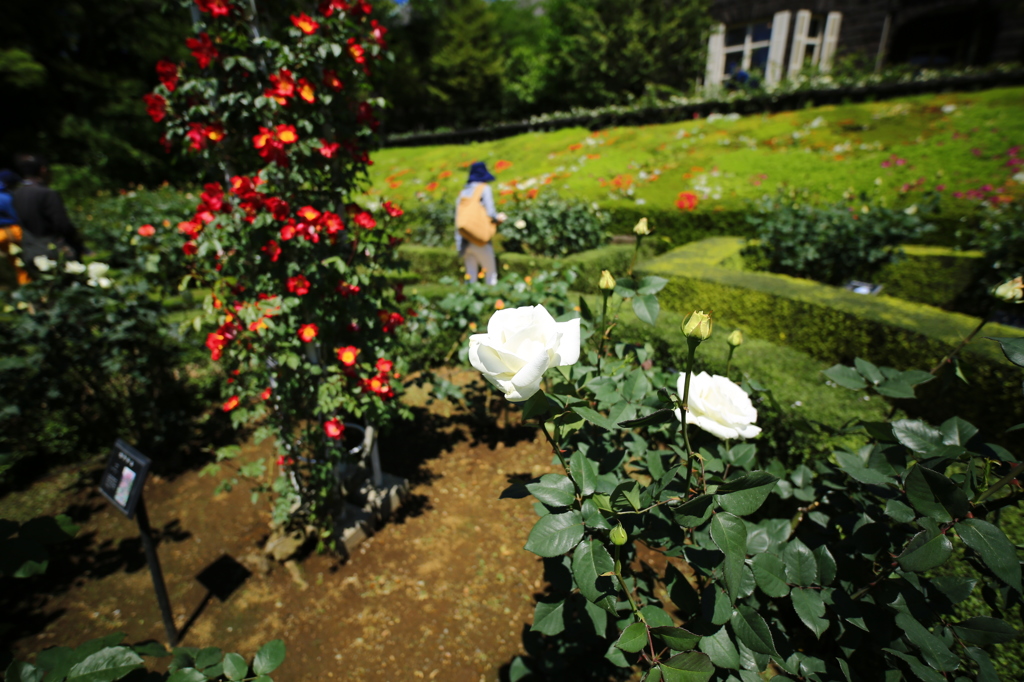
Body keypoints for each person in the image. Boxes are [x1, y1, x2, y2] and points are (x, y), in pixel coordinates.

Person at [12, 153, 86, 263]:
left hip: (29, 252)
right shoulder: (47, 193)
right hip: (53, 252)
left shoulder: (15, 193)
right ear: (43, 170)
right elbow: (62, 225)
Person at [455, 161, 506, 285]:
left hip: (465, 239)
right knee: (491, 275)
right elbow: (491, 213)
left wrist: (458, 243)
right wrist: (499, 218)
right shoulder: (484, 189)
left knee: (470, 276)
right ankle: (493, 302)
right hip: (480, 238)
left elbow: (458, 219)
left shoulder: (462, 193)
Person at [0, 169, 32, 286]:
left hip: (1, 235)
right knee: (23, 264)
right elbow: (18, 216)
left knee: (14, 264)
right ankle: (29, 290)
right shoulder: (6, 197)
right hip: (11, 231)